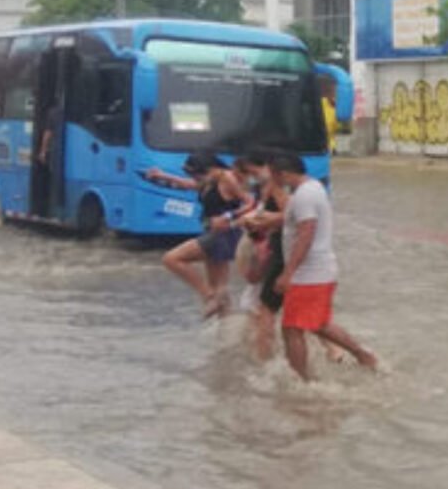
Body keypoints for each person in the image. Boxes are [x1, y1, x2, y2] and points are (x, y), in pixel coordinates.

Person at [269, 152, 377, 380]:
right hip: (316, 272)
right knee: (318, 324)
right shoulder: (313, 188)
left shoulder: (304, 196)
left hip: (309, 274)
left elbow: (307, 233)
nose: (271, 181)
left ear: (284, 174)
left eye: (273, 175)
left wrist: (288, 273)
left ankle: (302, 382)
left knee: (291, 328)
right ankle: (363, 355)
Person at [233, 151, 347, 363]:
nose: (249, 177)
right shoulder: (303, 189)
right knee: (304, 319)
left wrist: (287, 270)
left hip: (283, 256)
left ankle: (264, 363)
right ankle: (335, 352)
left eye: (249, 172)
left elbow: (300, 225)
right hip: (289, 257)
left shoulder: (285, 189)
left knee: (270, 312)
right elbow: (294, 219)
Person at [150, 151, 254, 318]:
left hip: (224, 233)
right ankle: (226, 328)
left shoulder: (227, 178)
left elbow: (250, 202)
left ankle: (208, 296)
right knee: (220, 286)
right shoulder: (209, 180)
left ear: (212, 169)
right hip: (213, 232)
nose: (197, 178)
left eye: (198, 174)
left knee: (171, 259)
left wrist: (229, 216)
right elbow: (188, 184)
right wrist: (164, 176)